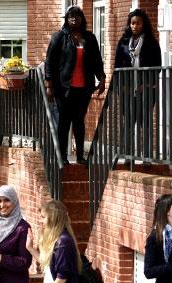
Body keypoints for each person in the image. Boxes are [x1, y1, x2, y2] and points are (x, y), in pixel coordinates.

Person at [44, 5, 106, 166]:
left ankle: (80, 156)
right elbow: (50, 62)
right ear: (66, 19)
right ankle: (62, 156)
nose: (74, 19)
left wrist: (102, 78)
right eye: (70, 16)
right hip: (63, 88)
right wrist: (49, 85)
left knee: (79, 121)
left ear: (82, 19)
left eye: (77, 16)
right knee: (64, 122)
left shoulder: (90, 38)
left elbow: (96, 60)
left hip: (84, 88)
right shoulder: (59, 37)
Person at [114, 9, 161, 166]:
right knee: (128, 123)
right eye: (132, 23)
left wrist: (146, 84)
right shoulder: (123, 43)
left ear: (144, 24)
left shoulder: (151, 43)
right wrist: (123, 86)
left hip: (146, 90)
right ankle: (128, 156)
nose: (135, 26)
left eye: (138, 23)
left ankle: (146, 157)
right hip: (127, 90)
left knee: (145, 123)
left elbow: (157, 67)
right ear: (129, 24)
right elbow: (117, 67)